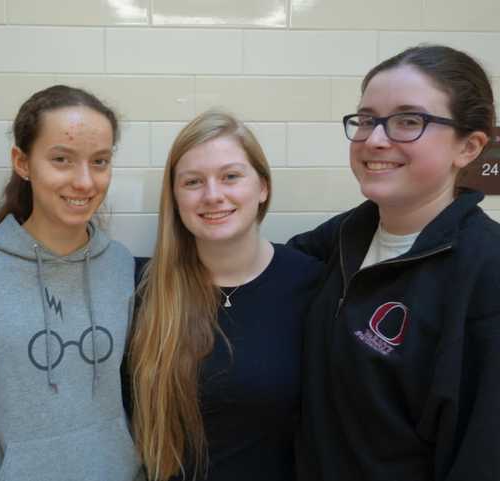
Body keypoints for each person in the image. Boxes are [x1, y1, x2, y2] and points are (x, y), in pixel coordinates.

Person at [288, 45, 499, 481]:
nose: (375, 138)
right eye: (366, 119)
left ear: (469, 146)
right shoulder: (344, 237)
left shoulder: (487, 272)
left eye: (409, 121)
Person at [0, 85, 143, 481]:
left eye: (100, 161)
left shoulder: (120, 265)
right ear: (22, 162)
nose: (84, 182)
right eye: (61, 160)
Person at [126, 110, 322, 481]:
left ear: (262, 187)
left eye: (231, 176)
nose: (213, 195)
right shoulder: (142, 288)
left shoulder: (311, 283)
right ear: (175, 197)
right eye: (193, 182)